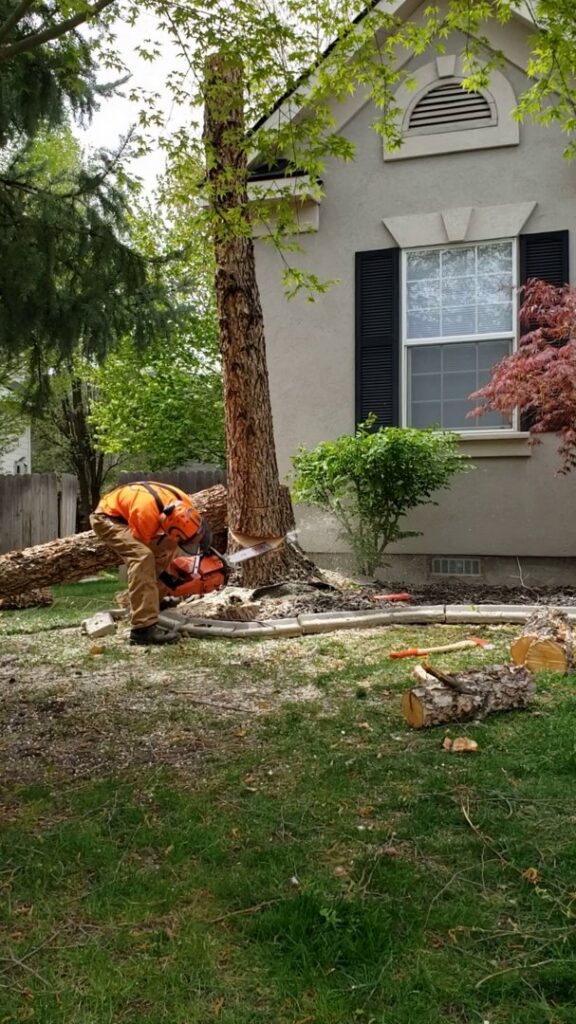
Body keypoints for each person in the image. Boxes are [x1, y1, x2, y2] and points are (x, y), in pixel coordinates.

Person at [90, 481, 211, 645]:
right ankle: (143, 629)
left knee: (169, 547)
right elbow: (146, 556)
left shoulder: (184, 501)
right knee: (142, 557)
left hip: (141, 507)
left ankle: (155, 602)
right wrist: (165, 576)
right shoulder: (146, 516)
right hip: (107, 518)